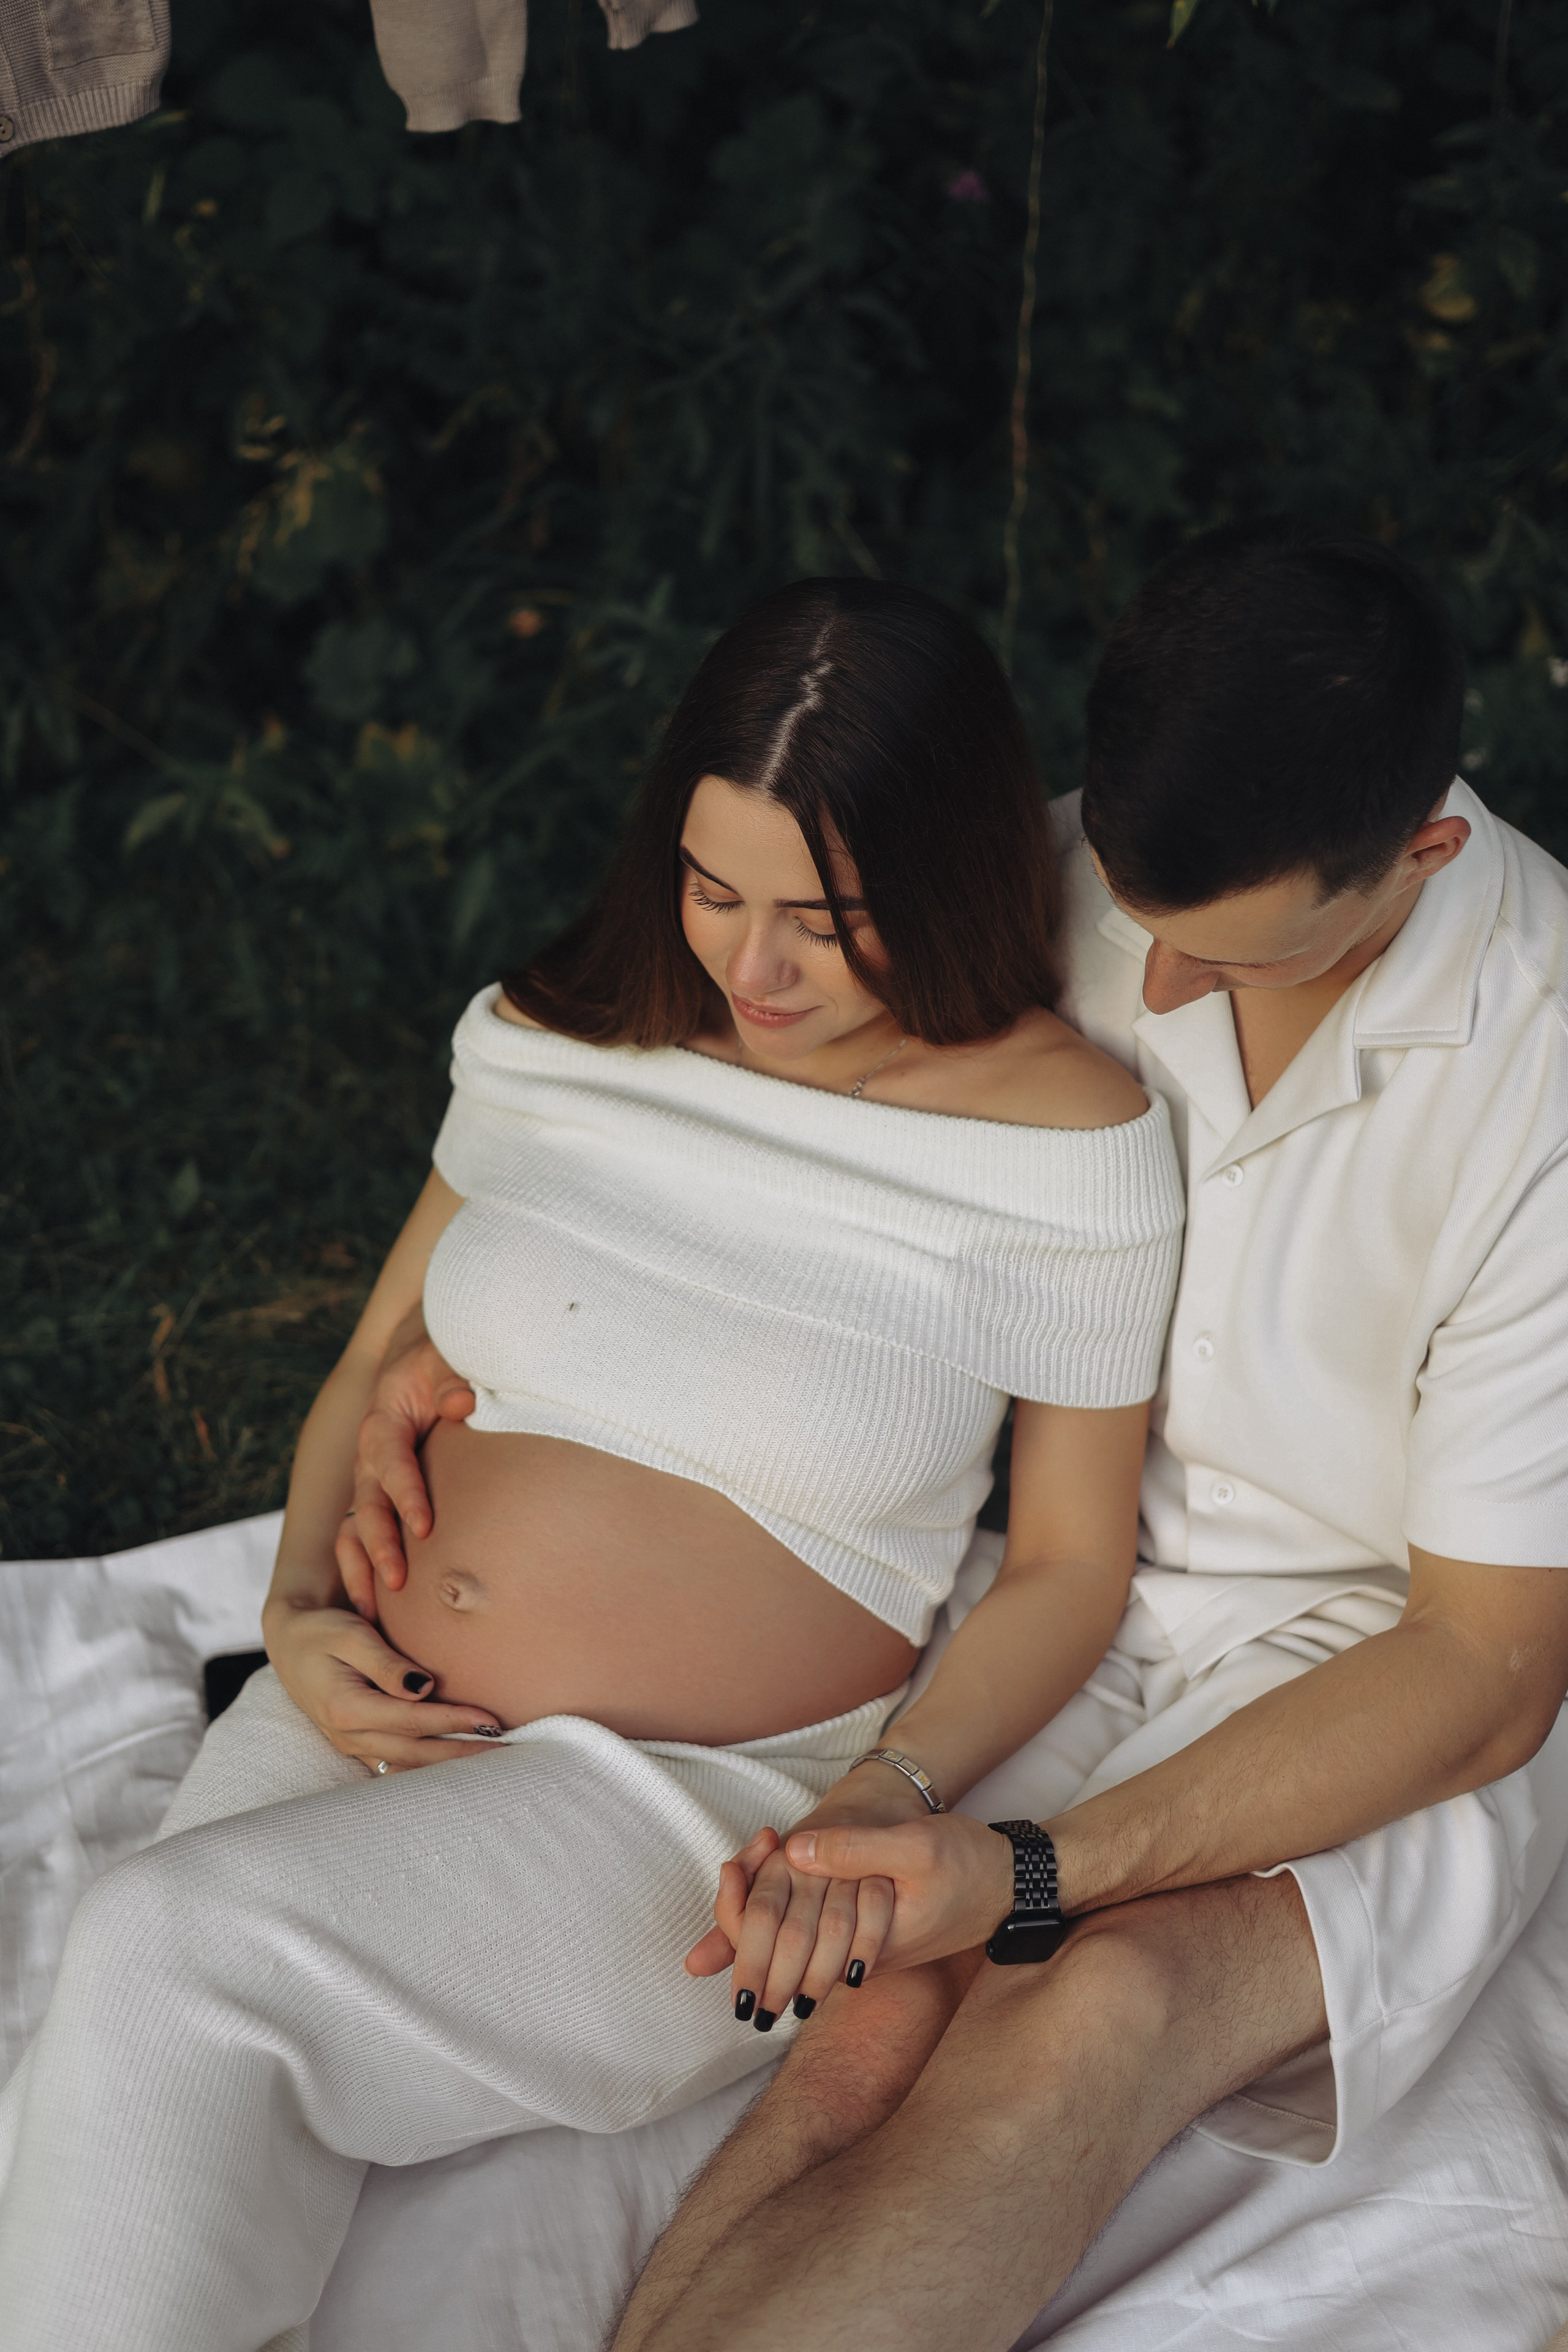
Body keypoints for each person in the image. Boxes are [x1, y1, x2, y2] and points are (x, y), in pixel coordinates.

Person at [0, 580, 1186, 2351]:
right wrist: (297, 1598)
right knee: (118, 2096)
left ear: (942, 880)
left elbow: (1070, 1564)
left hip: (703, 1813)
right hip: (363, 1702)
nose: (754, 966)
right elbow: (366, 1363)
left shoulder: (1062, 1137)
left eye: (824, 916)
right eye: (715, 890)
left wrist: (896, 1791)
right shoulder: (565, 1026)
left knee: (168, 1955)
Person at [589, 521, 1568, 2352]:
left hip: (1382, 1661)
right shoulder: (1070, 864)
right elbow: (744, 1086)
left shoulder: (1549, 1067)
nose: (1160, 991)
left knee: (1083, 2014)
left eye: (1228, 961)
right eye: (1142, 927)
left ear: (1425, 852)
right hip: (1056, 1580)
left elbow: (1488, 1670)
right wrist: (445, 1326)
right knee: (870, 2027)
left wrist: (1039, 1875)